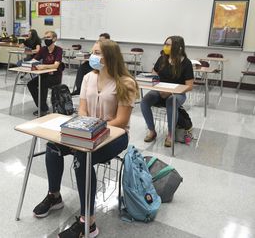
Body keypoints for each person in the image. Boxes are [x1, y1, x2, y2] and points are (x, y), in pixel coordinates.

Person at [33, 40, 137, 238]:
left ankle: (87, 222)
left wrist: (93, 132)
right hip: (86, 131)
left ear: (110, 56)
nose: (92, 56)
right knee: (52, 147)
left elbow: (122, 121)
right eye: (92, 52)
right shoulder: (89, 77)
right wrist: (81, 131)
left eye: (97, 52)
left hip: (115, 135)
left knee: (82, 157)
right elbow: (81, 109)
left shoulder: (126, 82)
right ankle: (54, 196)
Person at [140, 35, 194, 147]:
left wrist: (170, 91)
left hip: (177, 93)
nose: (165, 47)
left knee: (171, 101)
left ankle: (170, 134)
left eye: (168, 45)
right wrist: (156, 82)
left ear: (178, 47)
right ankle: (152, 131)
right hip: (159, 91)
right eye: (165, 44)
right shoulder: (162, 59)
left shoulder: (186, 63)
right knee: (144, 101)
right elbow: (154, 72)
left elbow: (189, 86)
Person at [27, 31, 63, 116]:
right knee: (30, 84)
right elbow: (34, 60)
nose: (46, 39)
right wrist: (27, 64)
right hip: (44, 75)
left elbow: (56, 65)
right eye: (45, 37)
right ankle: (42, 107)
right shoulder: (43, 49)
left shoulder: (58, 50)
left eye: (48, 37)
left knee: (43, 84)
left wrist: (44, 66)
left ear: (54, 39)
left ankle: (43, 109)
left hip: (55, 76)